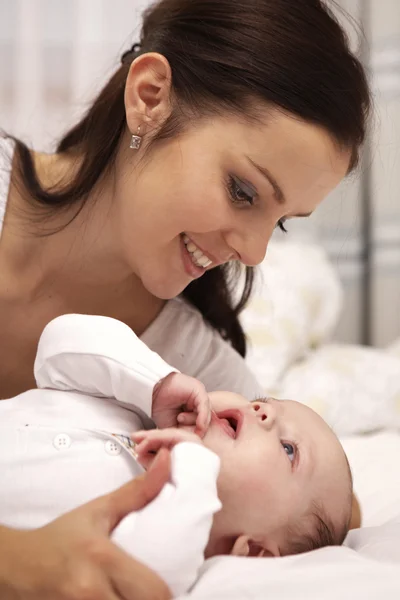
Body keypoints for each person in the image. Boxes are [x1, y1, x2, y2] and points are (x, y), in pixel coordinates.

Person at [0, 0, 370, 597]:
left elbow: (330, 506)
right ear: (149, 96)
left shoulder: (188, 366)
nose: (253, 255)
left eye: (279, 223)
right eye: (243, 190)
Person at [0, 314, 353, 598]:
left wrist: (194, 465)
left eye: (289, 449)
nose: (264, 412)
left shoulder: (175, 544)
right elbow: (58, 342)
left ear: (254, 553)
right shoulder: (129, 404)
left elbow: (149, 570)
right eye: (262, 400)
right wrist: (156, 382)